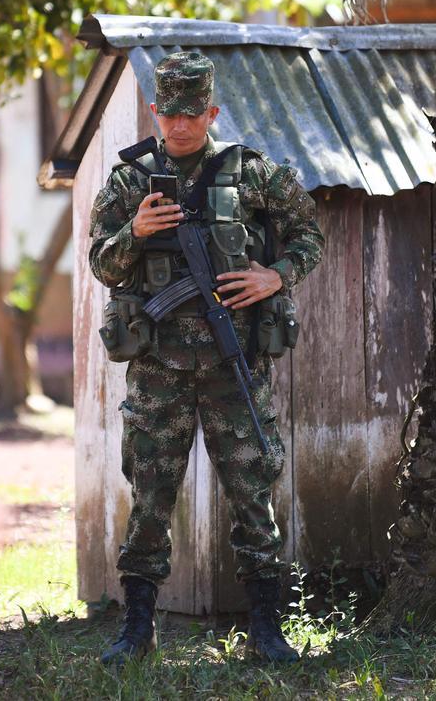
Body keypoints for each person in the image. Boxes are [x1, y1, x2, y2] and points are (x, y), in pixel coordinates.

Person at [89, 51, 325, 665]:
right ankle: (137, 628)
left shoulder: (250, 174)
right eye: (169, 112)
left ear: (211, 110)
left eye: (192, 112)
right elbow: (101, 265)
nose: (180, 124)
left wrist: (275, 277)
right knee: (149, 496)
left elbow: (309, 234)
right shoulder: (129, 183)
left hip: (234, 364)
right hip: (158, 371)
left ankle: (267, 628)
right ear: (155, 110)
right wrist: (134, 234)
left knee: (253, 492)